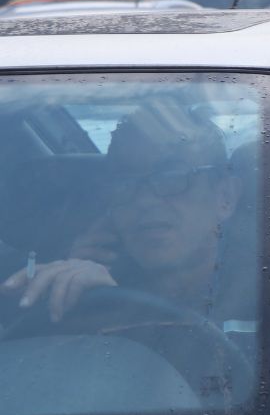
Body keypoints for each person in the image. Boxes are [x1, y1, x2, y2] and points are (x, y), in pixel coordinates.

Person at [1, 103, 244, 324]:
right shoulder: (96, 284)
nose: (144, 200)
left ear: (225, 197)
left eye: (173, 176)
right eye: (124, 183)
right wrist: (81, 299)